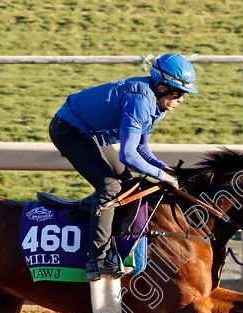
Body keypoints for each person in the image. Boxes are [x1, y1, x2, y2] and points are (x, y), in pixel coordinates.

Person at [49, 53, 198, 281]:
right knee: (109, 188)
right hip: (70, 130)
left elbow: (142, 150)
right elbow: (128, 155)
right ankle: (96, 259)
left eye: (184, 95)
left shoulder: (157, 104)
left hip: (91, 134)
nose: (181, 100)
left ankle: (108, 230)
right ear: (160, 87)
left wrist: (165, 171)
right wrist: (160, 175)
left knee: (129, 184)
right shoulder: (139, 100)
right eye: (177, 93)